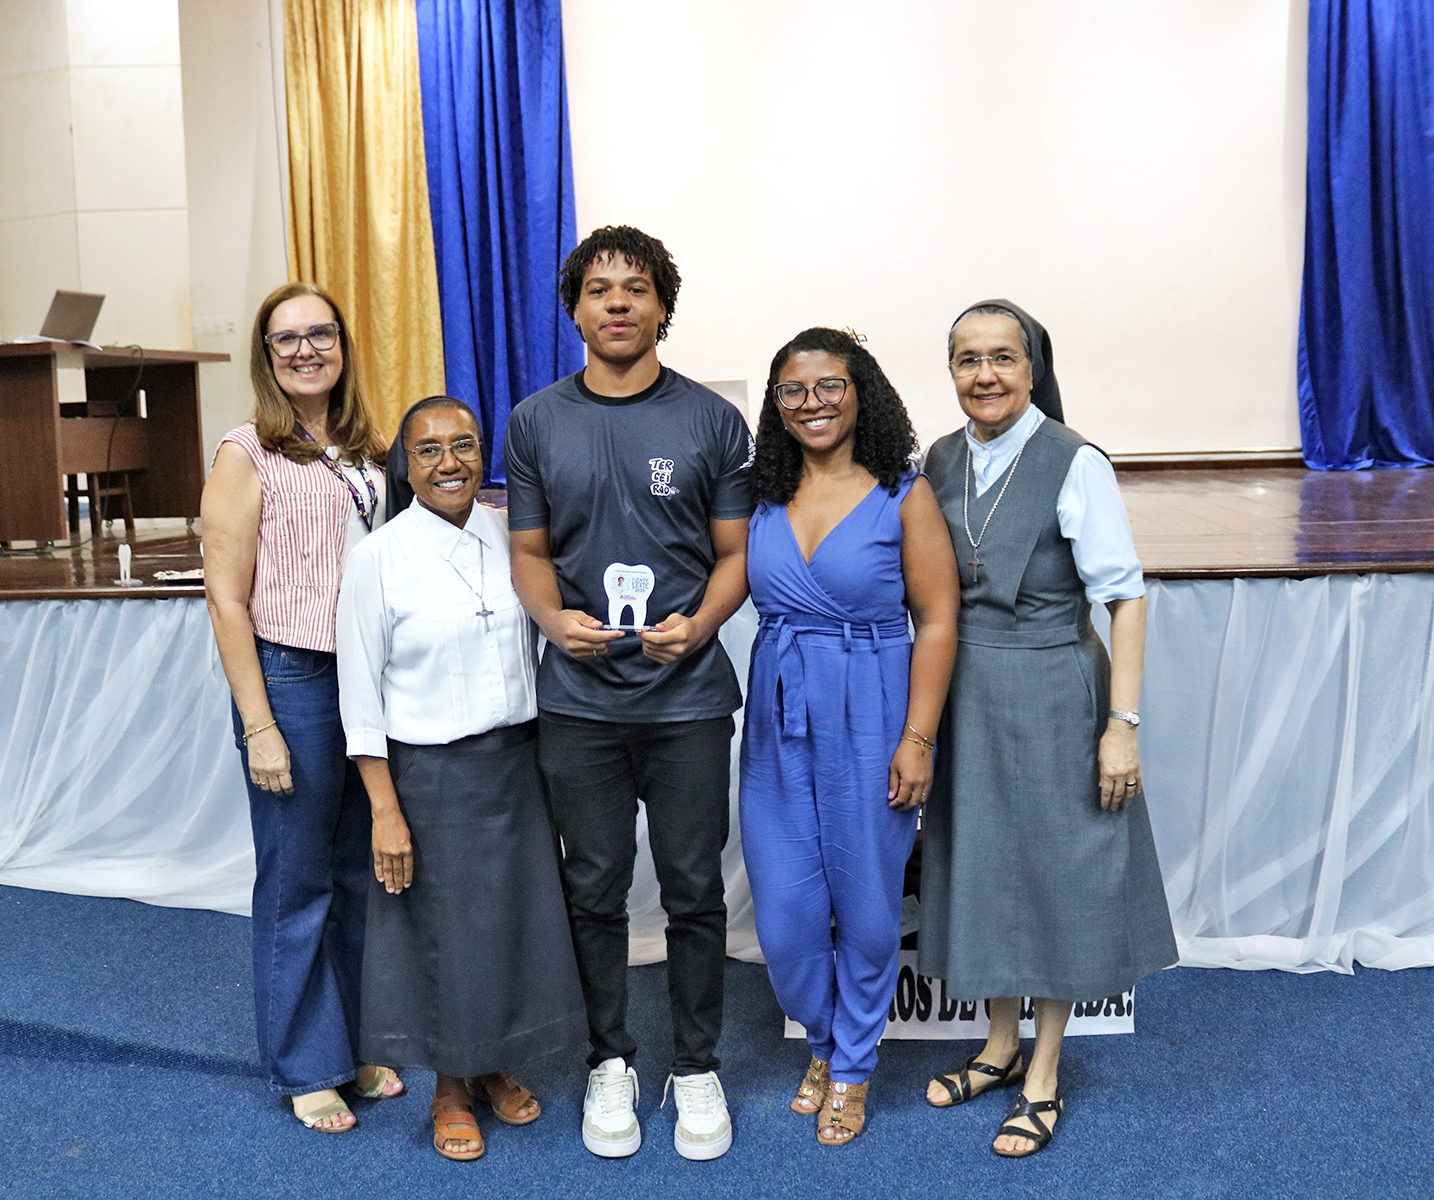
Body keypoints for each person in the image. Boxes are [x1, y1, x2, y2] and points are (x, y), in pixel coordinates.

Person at [504, 225, 753, 1161]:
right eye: (599, 289)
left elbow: (735, 555)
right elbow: (529, 552)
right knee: (593, 888)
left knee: (694, 888)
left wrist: (704, 624)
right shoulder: (535, 421)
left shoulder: (713, 421)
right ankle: (610, 1058)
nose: (618, 302)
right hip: (579, 706)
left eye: (637, 288)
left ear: (662, 308)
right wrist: (551, 619)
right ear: (575, 310)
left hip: (688, 704)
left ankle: (696, 1066)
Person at [917, 300, 1177, 1157]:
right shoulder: (940, 458)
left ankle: (1043, 1072)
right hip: (967, 693)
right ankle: (998, 1046)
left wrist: (1121, 726)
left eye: (1002, 357)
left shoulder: (1075, 461)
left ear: (1033, 368)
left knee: (1058, 872)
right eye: (967, 360)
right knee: (984, 864)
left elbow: (1125, 598)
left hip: (1055, 690)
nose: (984, 375)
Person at [335, 395, 586, 1161]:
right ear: (406, 465)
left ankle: (490, 1061)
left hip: (516, 763)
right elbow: (359, 694)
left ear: (484, 454)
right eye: (430, 449)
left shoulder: (510, 537)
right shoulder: (377, 556)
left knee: (506, 925)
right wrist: (384, 809)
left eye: (465, 445)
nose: (450, 463)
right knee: (444, 934)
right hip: (431, 775)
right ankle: (450, 1086)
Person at [739, 327, 959, 1146]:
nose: (812, 403)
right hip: (778, 715)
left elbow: (937, 620)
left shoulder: (904, 492)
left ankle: (851, 1065)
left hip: (872, 709)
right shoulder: (762, 493)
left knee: (867, 908)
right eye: (792, 391)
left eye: (829, 385)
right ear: (776, 405)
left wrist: (918, 738)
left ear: (862, 391)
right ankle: (824, 1040)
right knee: (786, 915)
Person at [202, 282, 403, 1132]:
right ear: (266, 356)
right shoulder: (245, 452)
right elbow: (225, 598)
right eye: (286, 339)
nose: (305, 350)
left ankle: (351, 1046)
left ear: (343, 346)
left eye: (320, 333)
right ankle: (305, 1066)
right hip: (292, 679)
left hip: (367, 681)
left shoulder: (366, 450)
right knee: (298, 879)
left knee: (358, 878)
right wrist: (260, 725)